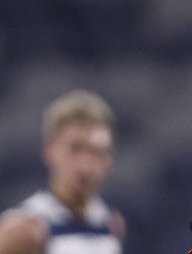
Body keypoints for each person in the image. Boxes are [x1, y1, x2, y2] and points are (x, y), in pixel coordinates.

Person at [0, 89, 126, 254]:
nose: (86, 164)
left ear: (109, 158)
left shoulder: (111, 224)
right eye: (75, 149)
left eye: (96, 152)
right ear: (50, 151)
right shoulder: (24, 231)